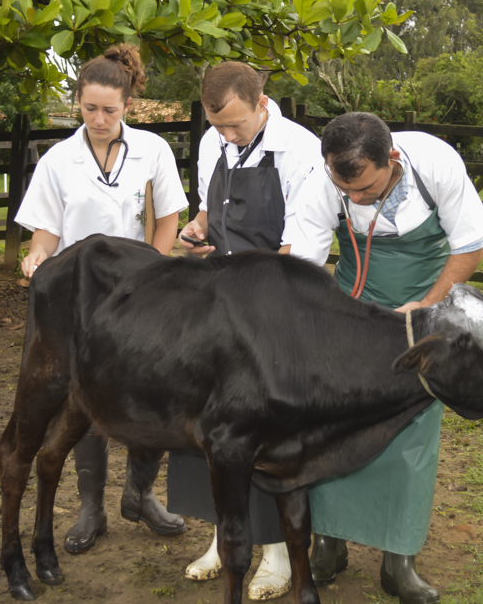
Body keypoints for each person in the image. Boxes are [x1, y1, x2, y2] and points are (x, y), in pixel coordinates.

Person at [283, 111, 483, 604]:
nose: (355, 199)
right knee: (333, 422)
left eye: (366, 188)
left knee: (411, 430)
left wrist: (425, 308)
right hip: (352, 309)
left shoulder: (435, 162)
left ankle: (399, 559)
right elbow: (301, 263)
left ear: (392, 159)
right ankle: (328, 543)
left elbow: (470, 248)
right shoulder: (323, 180)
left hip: (422, 309)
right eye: (346, 190)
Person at [15, 43, 189, 554]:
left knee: (148, 393)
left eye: (109, 110)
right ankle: (91, 507)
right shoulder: (58, 160)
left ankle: (141, 494)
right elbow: (46, 231)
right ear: (78, 102)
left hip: (139, 295)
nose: (98, 119)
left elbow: (168, 220)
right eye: (89, 108)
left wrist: (153, 275)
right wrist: (36, 256)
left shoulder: (152, 150)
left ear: (128, 105)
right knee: (83, 399)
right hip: (79, 298)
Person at [169, 61, 321, 601]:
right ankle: (222, 535)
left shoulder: (300, 150)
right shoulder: (212, 140)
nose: (227, 135)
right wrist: (195, 231)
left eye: (235, 124)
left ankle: (277, 551)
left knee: (269, 431)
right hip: (217, 300)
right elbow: (207, 212)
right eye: (218, 126)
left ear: (261, 104)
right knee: (210, 422)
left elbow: (303, 243)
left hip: (276, 302)